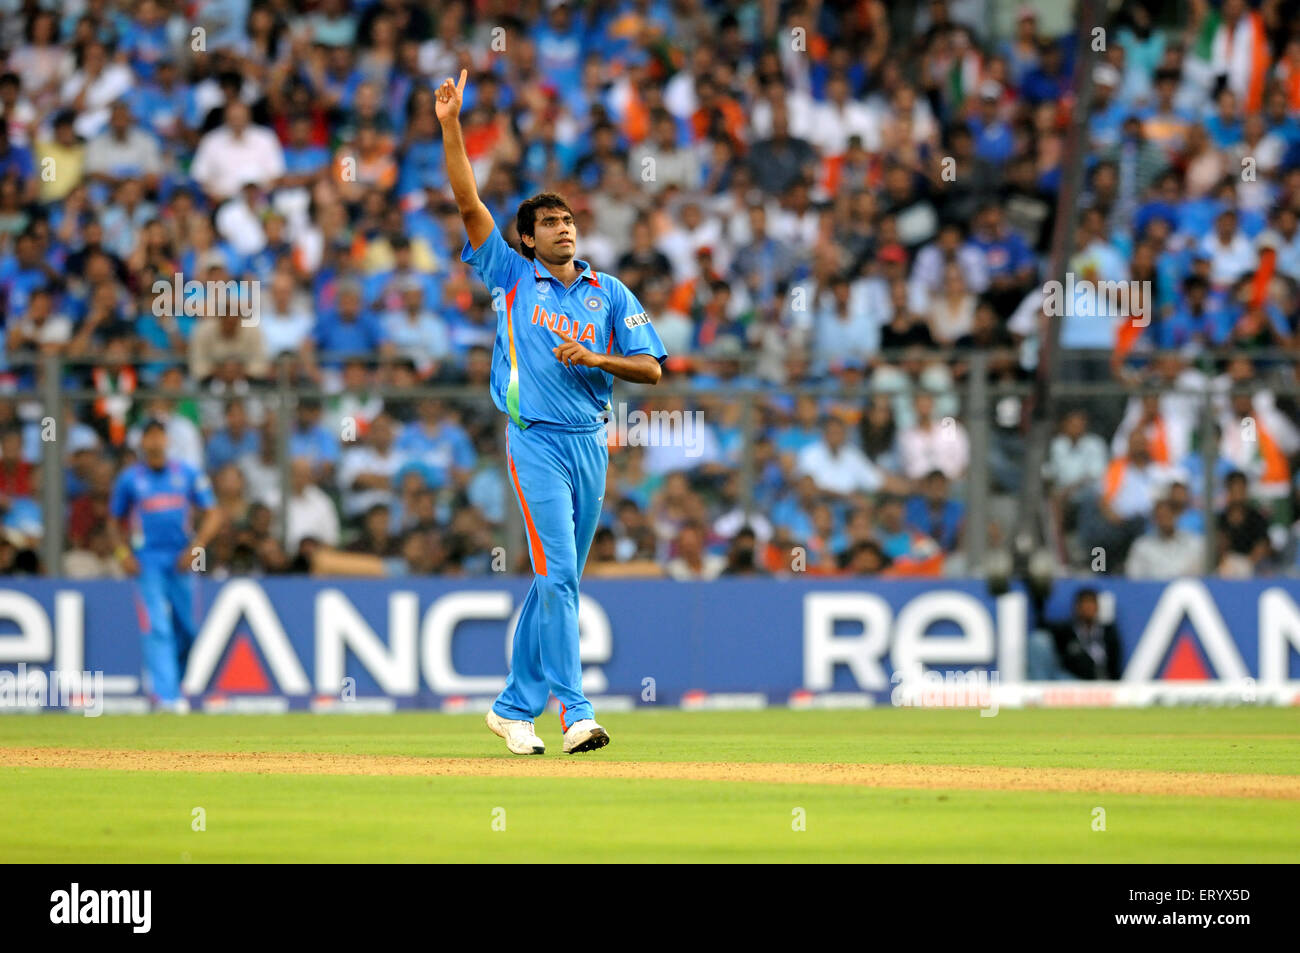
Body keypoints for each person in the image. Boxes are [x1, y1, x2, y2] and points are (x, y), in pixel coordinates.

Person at [437, 70, 666, 756]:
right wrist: (451, 126)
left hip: (591, 441)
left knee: (553, 580)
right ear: (528, 240)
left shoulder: (610, 290)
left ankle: (511, 707)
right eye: (549, 223)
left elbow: (653, 369)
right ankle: (576, 714)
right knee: (559, 575)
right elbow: (467, 197)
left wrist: (597, 360)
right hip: (534, 440)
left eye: (567, 219)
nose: (563, 229)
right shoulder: (509, 274)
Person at [107, 419, 223, 712]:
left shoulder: (187, 474)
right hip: (147, 562)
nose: (155, 442)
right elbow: (112, 521)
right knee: (157, 626)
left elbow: (213, 514)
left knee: (189, 630)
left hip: (182, 560)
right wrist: (123, 555)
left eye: (160, 436)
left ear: (167, 441)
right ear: (142, 443)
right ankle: (166, 697)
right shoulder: (130, 479)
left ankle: (173, 685)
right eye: (150, 437)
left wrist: (195, 549)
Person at [1050, 588, 1124, 680]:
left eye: (1092, 603)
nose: (1088, 607)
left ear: (1097, 607)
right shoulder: (1065, 632)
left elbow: (1114, 663)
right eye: (1084, 603)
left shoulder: (1108, 632)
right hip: (1075, 682)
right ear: (1077, 607)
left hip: (1103, 682)